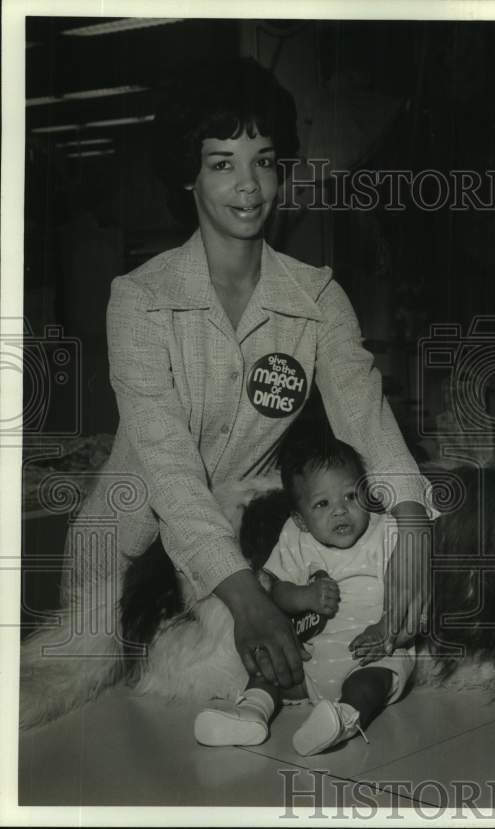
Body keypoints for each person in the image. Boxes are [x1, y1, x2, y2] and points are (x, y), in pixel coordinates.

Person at [20, 57, 431, 727]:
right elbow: (168, 466)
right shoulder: (141, 300)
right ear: (188, 173)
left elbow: (366, 415)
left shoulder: (316, 296)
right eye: (221, 163)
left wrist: (412, 522)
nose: (248, 186)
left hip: (252, 549)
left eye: (263, 161)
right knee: (96, 743)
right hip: (129, 560)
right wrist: (244, 596)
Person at [195, 420, 414, 755]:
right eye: (322, 504)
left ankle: (344, 717)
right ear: (299, 519)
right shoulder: (295, 538)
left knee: (370, 684)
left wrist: (387, 629)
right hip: (313, 659)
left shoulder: (386, 533)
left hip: (373, 654)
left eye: (350, 495)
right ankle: (252, 711)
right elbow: (278, 593)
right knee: (273, 668)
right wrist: (304, 596)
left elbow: (408, 590)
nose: (340, 509)